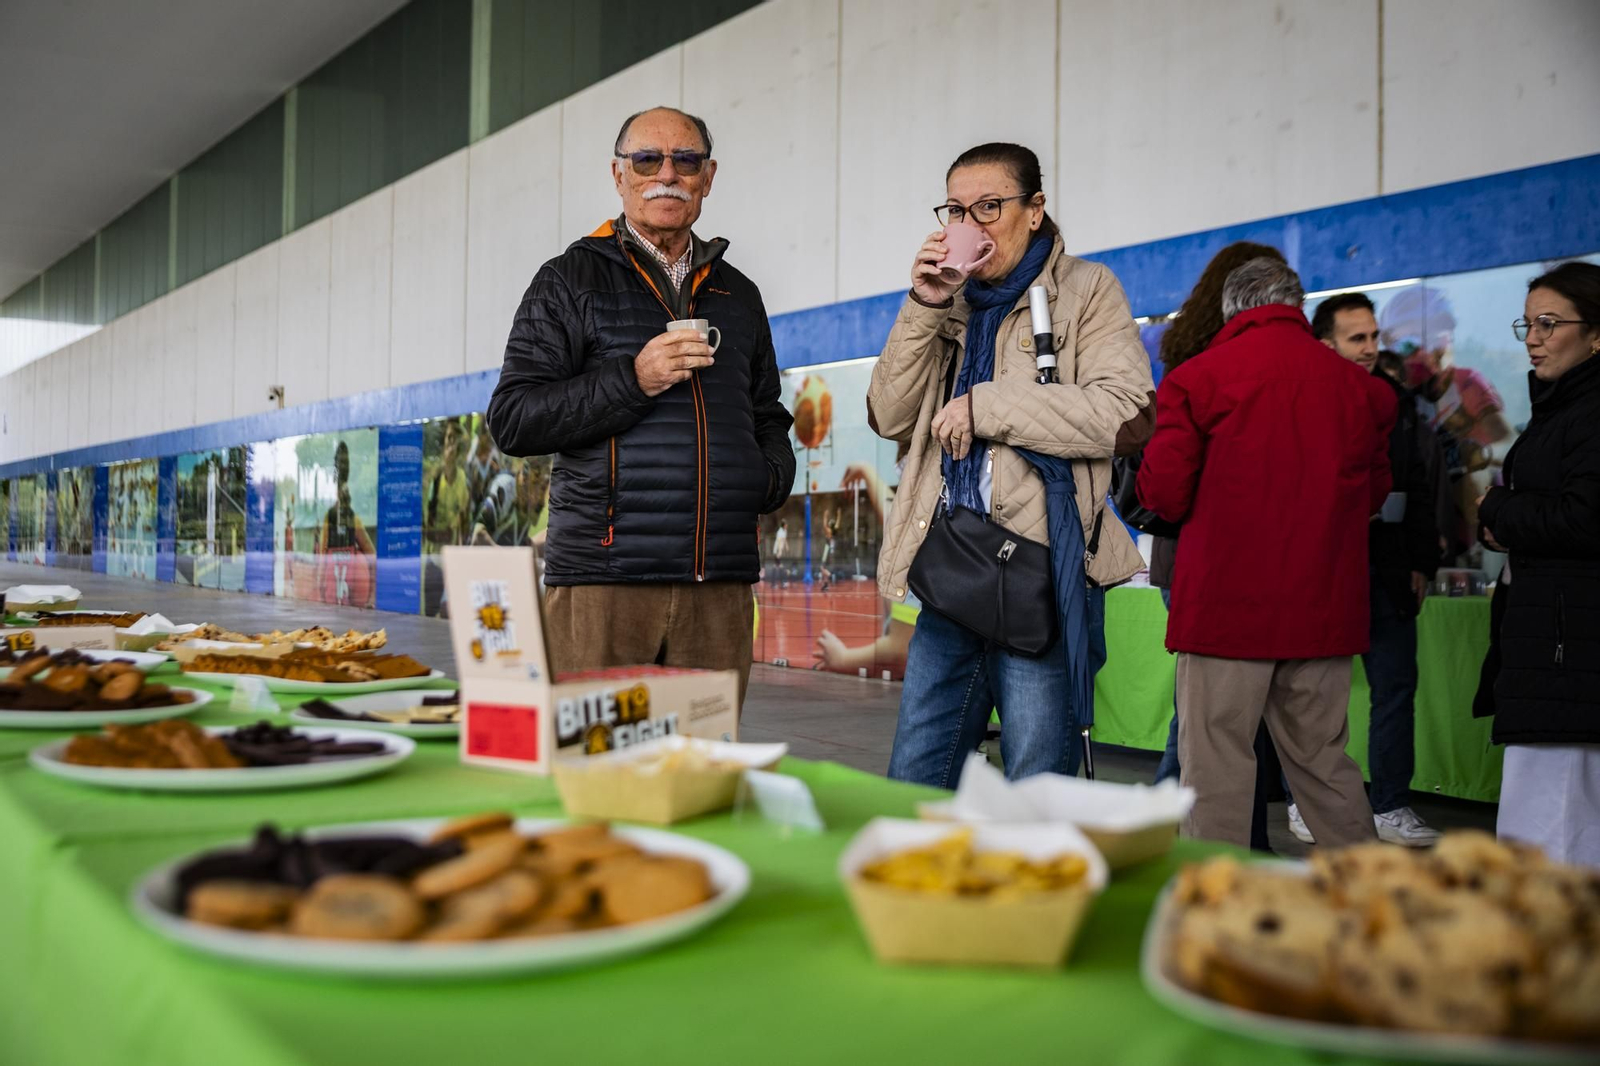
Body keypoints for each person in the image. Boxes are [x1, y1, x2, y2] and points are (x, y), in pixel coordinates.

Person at [869, 141, 1155, 788]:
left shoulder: (1087, 290)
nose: (971, 225)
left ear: (1035, 210)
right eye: (957, 210)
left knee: (1036, 787)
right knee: (915, 779)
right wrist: (923, 305)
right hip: (952, 570)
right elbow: (887, 415)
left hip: (1044, 575)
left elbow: (1128, 414)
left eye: (990, 206)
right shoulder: (949, 303)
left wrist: (988, 406)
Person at [487, 106, 795, 707]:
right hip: (604, 586)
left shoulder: (739, 293)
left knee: (704, 774)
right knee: (593, 774)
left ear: (708, 177)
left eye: (686, 161)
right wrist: (635, 378)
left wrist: (764, 480)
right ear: (618, 174)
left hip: (719, 586)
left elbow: (767, 414)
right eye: (647, 159)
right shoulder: (568, 280)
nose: (667, 174)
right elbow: (515, 418)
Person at [1137, 257, 1395, 848]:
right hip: (1323, 609)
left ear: (1233, 309)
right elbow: (1375, 492)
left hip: (1225, 615)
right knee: (1325, 766)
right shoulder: (1363, 393)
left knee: (1216, 771)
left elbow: (1165, 494)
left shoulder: (1196, 381)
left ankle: (1219, 912)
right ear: (1295, 307)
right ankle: (1370, 906)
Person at [1280, 292, 1443, 847]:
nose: (1372, 347)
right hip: (1320, 568)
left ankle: (1390, 804)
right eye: (1358, 338)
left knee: (1395, 686)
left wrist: (1422, 559)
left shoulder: (1395, 403)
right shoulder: (1299, 398)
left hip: (1388, 566)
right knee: (1307, 695)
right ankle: (1306, 802)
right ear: (1325, 342)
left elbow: (1420, 484)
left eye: (1375, 337)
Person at [1143, 241, 1287, 854]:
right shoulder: (1225, 370)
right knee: (1215, 724)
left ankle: (1219, 838)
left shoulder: (1187, 360)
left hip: (1191, 560)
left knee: (1209, 718)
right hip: (1228, 556)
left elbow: (1165, 483)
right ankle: (1170, 835)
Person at [1475, 261, 1600, 867]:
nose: (1533, 337)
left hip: (1569, 651)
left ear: (1596, 334)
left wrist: (1499, 506)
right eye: (1527, 323)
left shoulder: (1590, 410)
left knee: (1554, 833)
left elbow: (1585, 518)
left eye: (1550, 324)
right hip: (1554, 646)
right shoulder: (1563, 406)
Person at [1381, 284, 1513, 559]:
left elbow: (1506, 442)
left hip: (1466, 520)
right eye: (1409, 344)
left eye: (1437, 337)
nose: (1425, 352)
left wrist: (1477, 452)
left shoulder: (1465, 382)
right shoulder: (1398, 394)